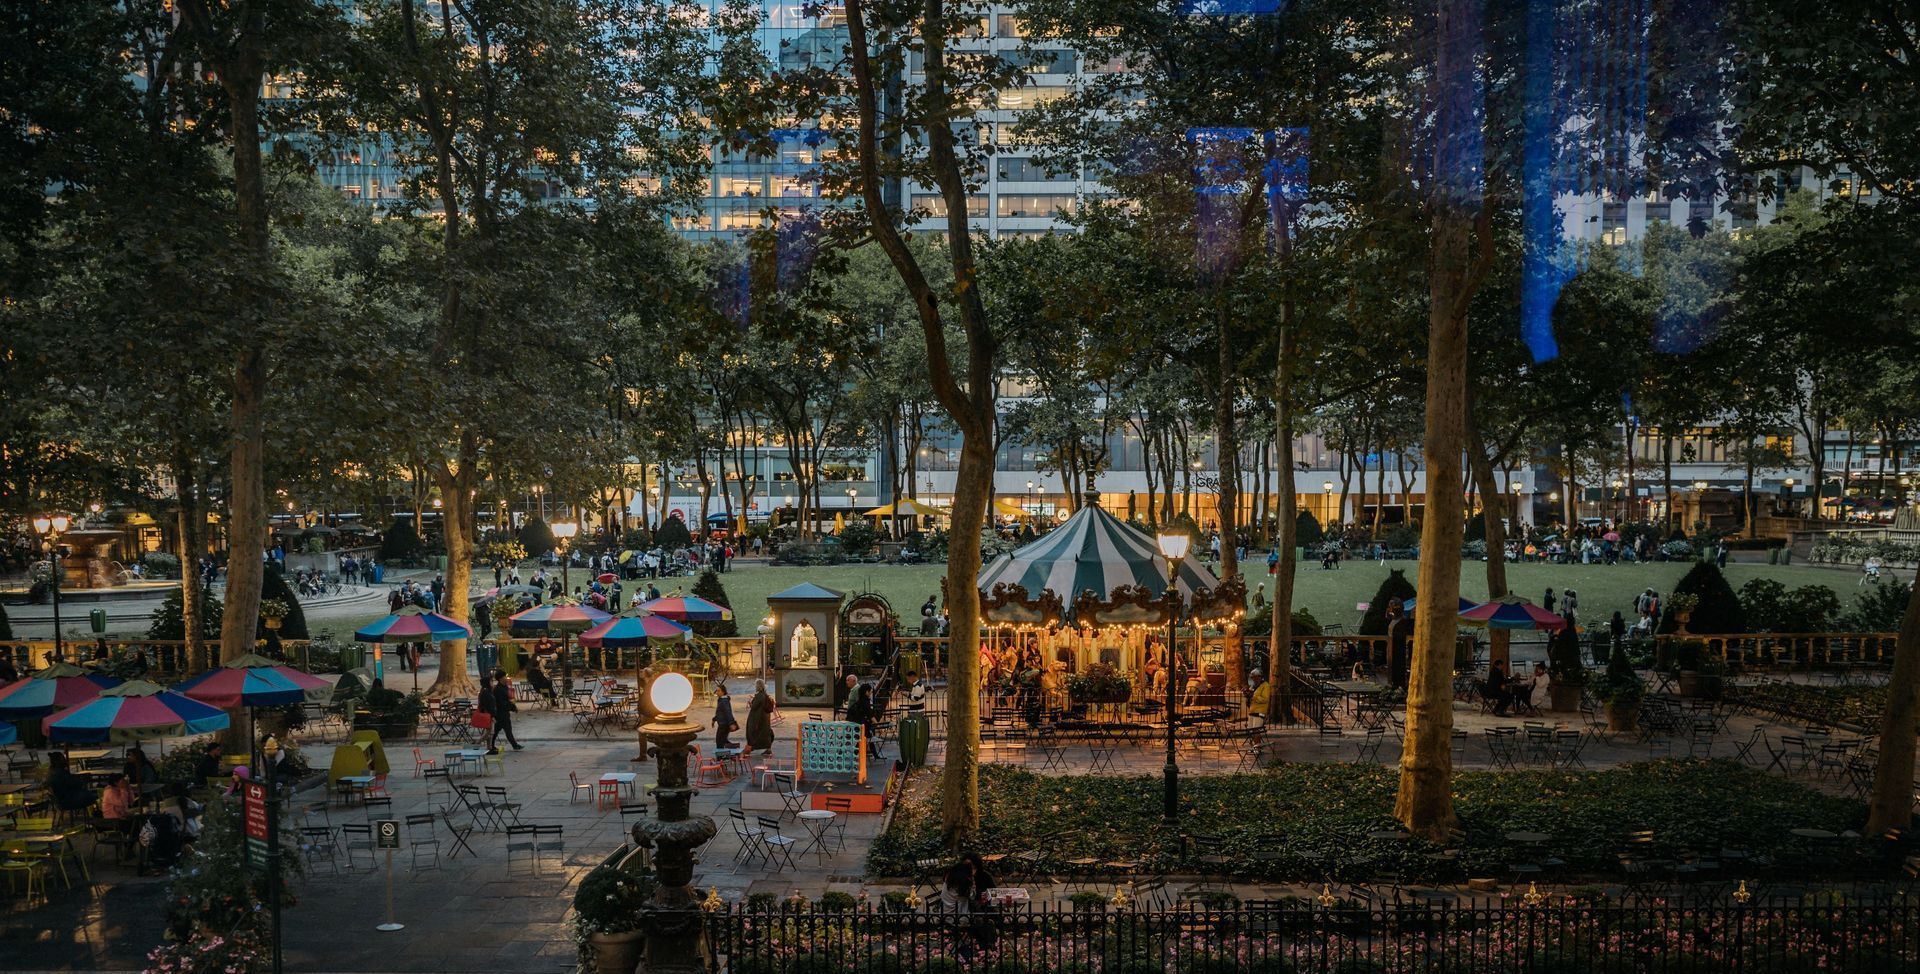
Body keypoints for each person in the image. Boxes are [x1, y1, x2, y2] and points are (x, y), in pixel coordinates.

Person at [490, 668, 523, 752]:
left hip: (504, 713)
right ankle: (492, 745)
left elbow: (507, 700)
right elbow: (501, 702)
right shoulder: (498, 689)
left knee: (503, 730)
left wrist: (512, 706)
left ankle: (514, 745)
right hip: (500, 713)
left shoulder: (504, 687)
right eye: (504, 676)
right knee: (501, 730)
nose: (506, 678)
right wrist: (511, 705)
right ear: (500, 678)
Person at [746, 679, 775, 753]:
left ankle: (751, 747)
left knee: (753, 732)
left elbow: (754, 707)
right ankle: (767, 748)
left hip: (758, 718)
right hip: (764, 718)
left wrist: (750, 702)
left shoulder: (759, 696)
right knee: (765, 733)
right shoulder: (765, 695)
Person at [713, 683, 737, 750]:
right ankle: (734, 750)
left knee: (719, 741)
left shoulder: (724, 701)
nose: (717, 692)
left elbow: (728, 712)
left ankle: (721, 757)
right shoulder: (721, 700)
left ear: (723, 692)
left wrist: (731, 723)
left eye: (718, 691)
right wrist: (714, 719)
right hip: (722, 723)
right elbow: (720, 712)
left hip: (724, 724)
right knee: (723, 740)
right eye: (716, 691)